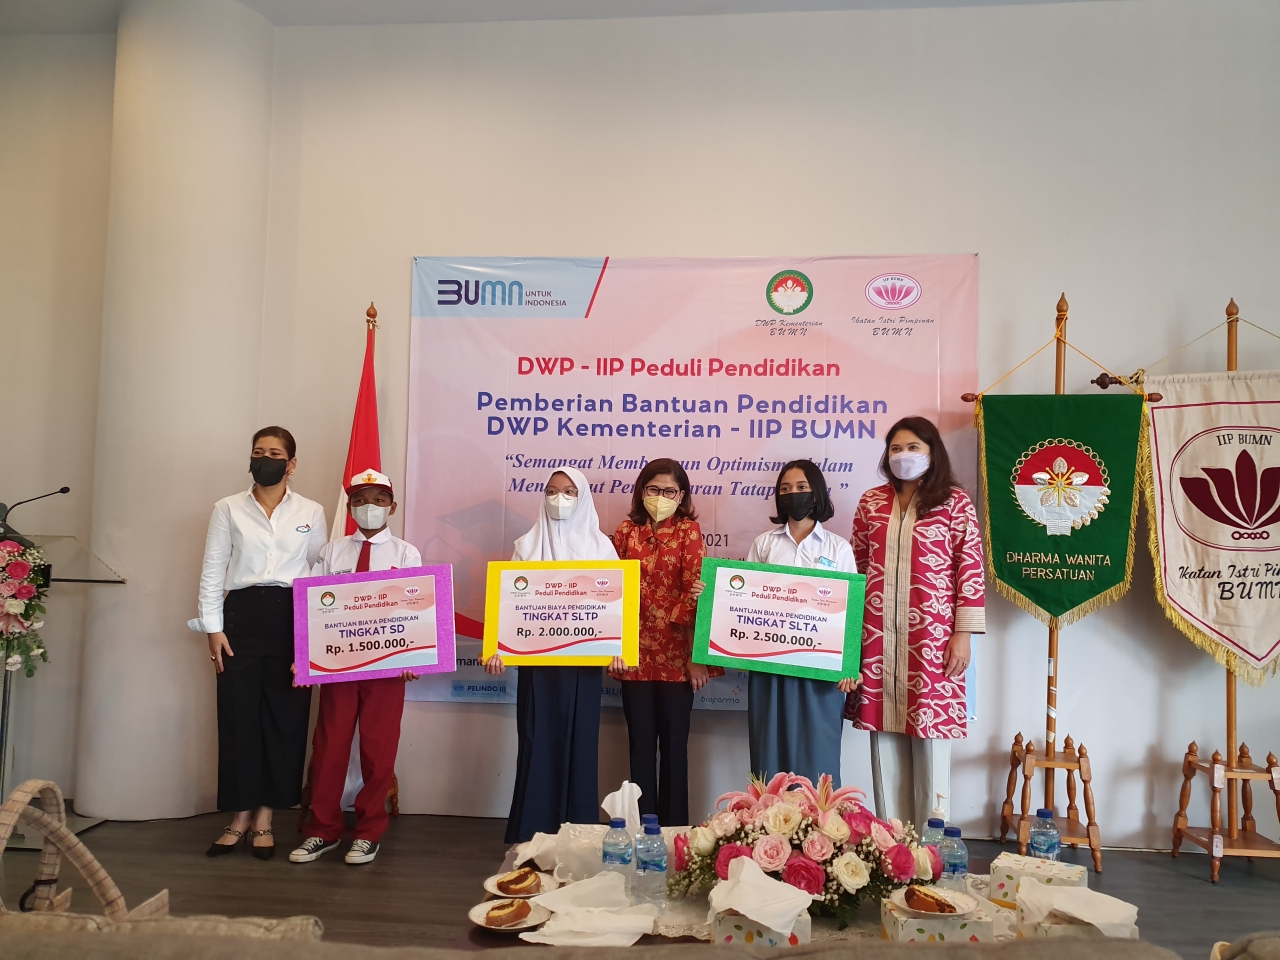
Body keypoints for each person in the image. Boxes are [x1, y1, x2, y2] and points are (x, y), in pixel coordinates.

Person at [192, 426, 327, 859]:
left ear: (291, 463)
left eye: (274, 453)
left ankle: (266, 816)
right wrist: (213, 627)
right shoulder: (228, 508)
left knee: (285, 717)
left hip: (291, 617)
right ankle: (240, 816)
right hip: (241, 618)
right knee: (239, 716)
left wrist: (310, 640)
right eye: (258, 452)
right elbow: (213, 568)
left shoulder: (311, 510)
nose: (264, 459)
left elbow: (319, 575)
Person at [846, 416, 985, 830]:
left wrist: (963, 634)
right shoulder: (871, 502)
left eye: (913, 448)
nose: (903, 455)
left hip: (933, 638)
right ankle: (891, 842)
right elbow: (856, 568)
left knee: (930, 736)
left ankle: (932, 844)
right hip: (876, 639)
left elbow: (970, 569)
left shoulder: (955, 503)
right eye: (895, 448)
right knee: (885, 734)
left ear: (932, 452)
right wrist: (850, 637)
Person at [290, 469, 421, 866]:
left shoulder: (405, 553)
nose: (369, 507)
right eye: (360, 501)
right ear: (349, 508)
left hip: (387, 668)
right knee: (329, 747)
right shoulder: (332, 552)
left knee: (378, 751)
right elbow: (309, 605)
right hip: (338, 666)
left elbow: (417, 610)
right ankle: (323, 830)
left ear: (392, 507)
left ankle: (368, 832)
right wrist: (303, 656)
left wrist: (413, 655)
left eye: (379, 500)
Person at [484, 467, 620, 843]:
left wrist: (618, 648)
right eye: (552, 491)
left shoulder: (601, 549)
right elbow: (509, 605)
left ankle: (579, 833)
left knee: (581, 742)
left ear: (583, 498)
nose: (560, 499)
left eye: (569, 492)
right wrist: (498, 647)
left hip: (584, 665)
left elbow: (615, 608)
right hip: (538, 664)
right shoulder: (525, 547)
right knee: (536, 738)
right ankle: (532, 832)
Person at [610, 459, 722, 826]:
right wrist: (614, 647)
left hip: (677, 656)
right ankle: (643, 828)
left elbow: (694, 593)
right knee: (640, 745)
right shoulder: (625, 532)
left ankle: (675, 831)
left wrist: (695, 657)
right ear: (641, 491)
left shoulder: (689, 531)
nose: (661, 497)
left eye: (669, 491)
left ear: (682, 495)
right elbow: (610, 591)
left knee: (674, 746)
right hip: (634, 655)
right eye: (653, 489)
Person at [745, 459, 860, 787]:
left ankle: (819, 821)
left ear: (817, 493)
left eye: (801, 487)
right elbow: (744, 601)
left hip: (821, 670)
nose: (792, 493)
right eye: (785, 489)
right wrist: (712, 594)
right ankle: (767, 820)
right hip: (769, 666)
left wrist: (849, 665)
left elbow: (852, 610)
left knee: (818, 759)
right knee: (769, 757)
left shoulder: (838, 548)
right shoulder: (764, 544)